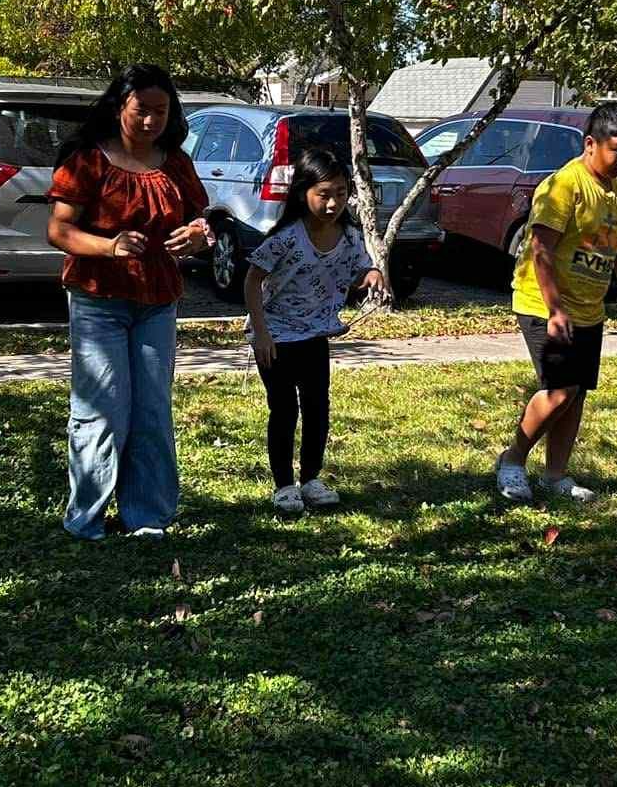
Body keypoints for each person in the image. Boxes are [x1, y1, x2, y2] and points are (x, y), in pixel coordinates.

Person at [46, 64, 213, 539]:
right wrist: (109, 246)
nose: (151, 121)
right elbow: (58, 230)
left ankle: (148, 515)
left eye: (162, 112)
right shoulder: (87, 159)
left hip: (157, 298)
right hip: (98, 298)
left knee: (152, 409)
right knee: (102, 409)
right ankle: (87, 517)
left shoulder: (175, 161)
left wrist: (200, 236)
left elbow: (202, 221)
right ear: (120, 106)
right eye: (142, 110)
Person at [495, 101, 617, 504]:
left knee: (575, 395)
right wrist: (556, 309)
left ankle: (556, 475)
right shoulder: (565, 186)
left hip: (589, 309)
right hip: (542, 304)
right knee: (560, 390)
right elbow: (541, 249)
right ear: (591, 143)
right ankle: (512, 461)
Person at [243, 144, 387, 512]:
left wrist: (372, 274)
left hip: (315, 336)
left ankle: (310, 479)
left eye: (341, 194)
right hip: (275, 338)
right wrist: (260, 332)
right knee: (284, 409)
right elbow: (252, 280)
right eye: (323, 195)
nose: (332, 203)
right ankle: (283, 486)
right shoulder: (287, 238)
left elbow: (359, 270)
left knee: (317, 407)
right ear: (303, 193)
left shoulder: (350, 236)